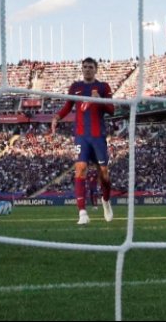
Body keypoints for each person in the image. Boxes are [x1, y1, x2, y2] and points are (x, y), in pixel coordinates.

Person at [51, 57, 114, 225]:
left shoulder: (103, 87)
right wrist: (57, 117)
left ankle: (106, 200)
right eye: (85, 66)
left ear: (96, 69)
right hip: (81, 136)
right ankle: (82, 212)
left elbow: (112, 110)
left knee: (104, 174)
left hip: (98, 136)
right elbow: (67, 106)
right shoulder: (75, 87)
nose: (87, 69)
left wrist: (99, 100)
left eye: (90, 67)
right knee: (80, 169)